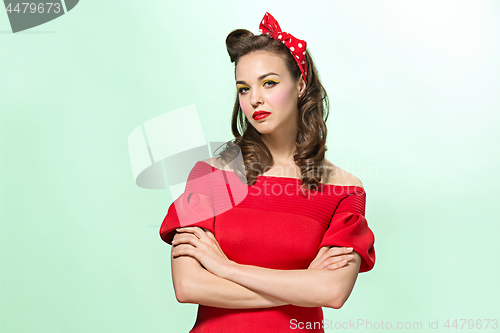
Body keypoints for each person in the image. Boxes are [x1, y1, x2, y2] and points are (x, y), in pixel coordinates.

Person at [159, 12, 375, 333]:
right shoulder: (210, 176)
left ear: (300, 85)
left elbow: (332, 291)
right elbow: (189, 286)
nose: (255, 98)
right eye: (243, 89)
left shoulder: (344, 189)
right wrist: (302, 285)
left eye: (269, 83)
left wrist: (224, 268)